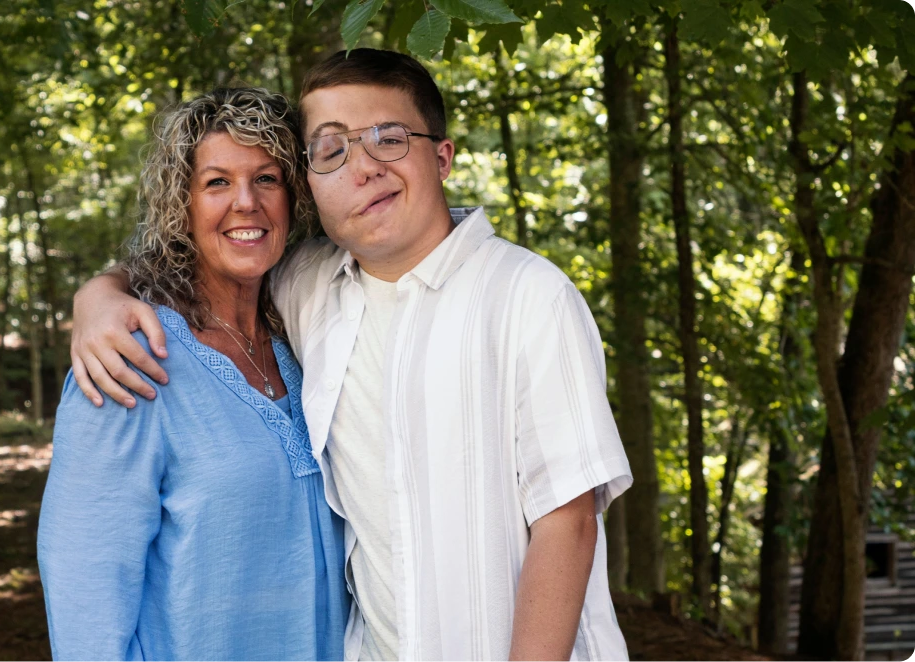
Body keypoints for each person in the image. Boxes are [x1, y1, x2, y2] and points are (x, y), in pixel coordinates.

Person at [71, 49, 632, 662]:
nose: (363, 167)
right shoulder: (307, 288)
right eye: (332, 150)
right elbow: (207, 252)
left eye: (389, 139)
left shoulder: (528, 294)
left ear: (441, 157)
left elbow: (568, 521)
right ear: (312, 181)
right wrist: (99, 296)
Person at [37, 87, 349, 661]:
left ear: (293, 198)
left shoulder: (307, 338)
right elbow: (86, 601)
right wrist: (100, 293)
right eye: (217, 183)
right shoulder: (129, 359)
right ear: (180, 206)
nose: (246, 203)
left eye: (267, 179)